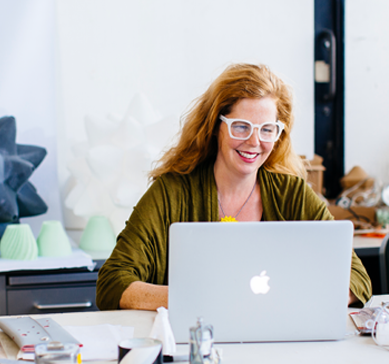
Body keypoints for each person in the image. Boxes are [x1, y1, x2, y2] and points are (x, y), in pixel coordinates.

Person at [96, 63, 372, 311]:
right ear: (215, 126)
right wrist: (196, 299)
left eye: (266, 129)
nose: (254, 142)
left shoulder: (293, 194)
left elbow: (356, 277)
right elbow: (112, 283)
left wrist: (294, 297)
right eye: (240, 127)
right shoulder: (172, 193)